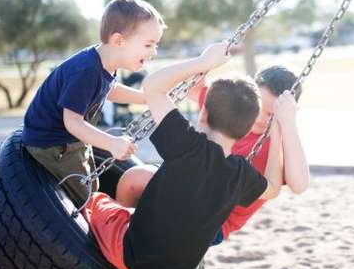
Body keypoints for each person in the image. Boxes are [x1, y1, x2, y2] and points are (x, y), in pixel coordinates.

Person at [82, 41, 290, 269]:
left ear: (202, 115)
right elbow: (273, 189)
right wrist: (278, 130)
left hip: (129, 258)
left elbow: (153, 86)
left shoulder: (185, 142)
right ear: (248, 130)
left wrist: (203, 63)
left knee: (91, 200)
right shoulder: (240, 174)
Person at [114, 65, 309, 245]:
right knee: (132, 180)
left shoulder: (279, 145)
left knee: (145, 186)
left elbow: (299, 185)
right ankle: (124, 230)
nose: (259, 117)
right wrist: (203, 65)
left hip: (213, 221)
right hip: (187, 183)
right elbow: (191, 88)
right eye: (260, 108)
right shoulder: (235, 108)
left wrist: (287, 126)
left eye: (272, 114)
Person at [21, 0, 164, 205]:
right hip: (52, 144)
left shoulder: (104, 62)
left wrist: (147, 99)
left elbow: (110, 89)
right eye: (148, 45)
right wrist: (112, 143)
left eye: (156, 45)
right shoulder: (86, 70)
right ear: (119, 41)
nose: (154, 52)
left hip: (70, 140)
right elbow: (72, 122)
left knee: (93, 184)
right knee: (84, 196)